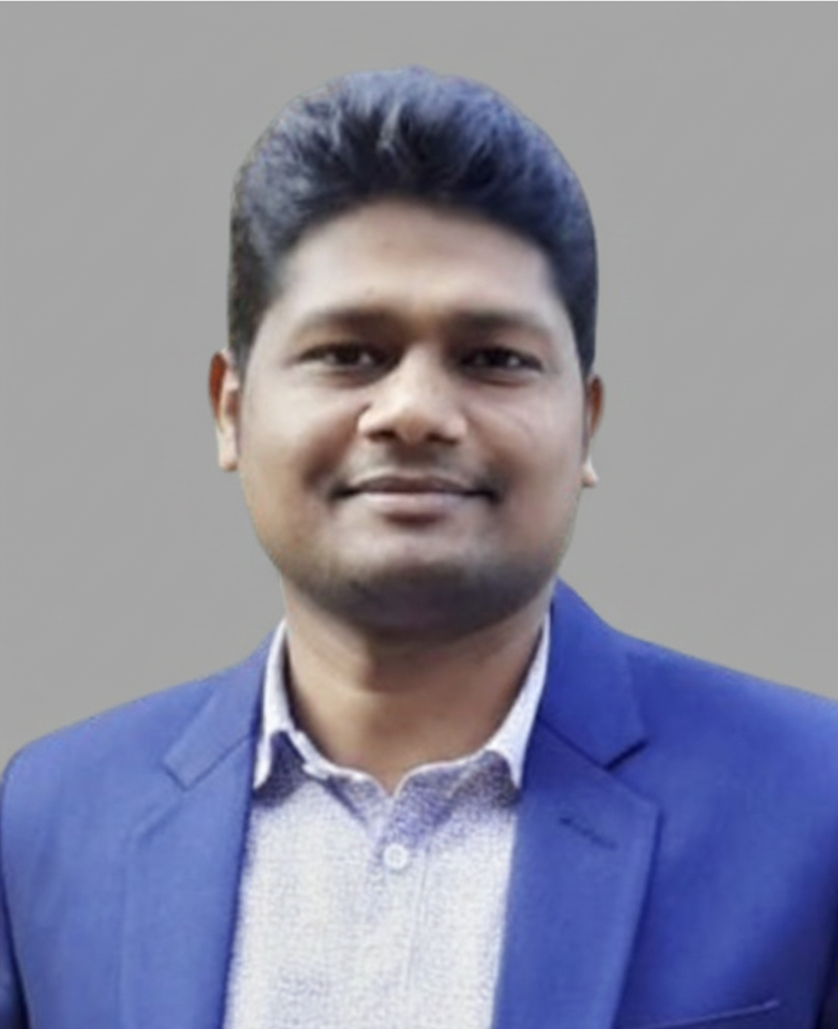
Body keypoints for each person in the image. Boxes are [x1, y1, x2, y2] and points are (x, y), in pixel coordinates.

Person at [2, 66, 837, 1029]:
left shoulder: (811, 805)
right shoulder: (53, 819)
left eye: (493, 359)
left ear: (587, 424)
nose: (414, 411)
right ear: (231, 410)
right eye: (349, 353)